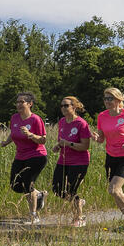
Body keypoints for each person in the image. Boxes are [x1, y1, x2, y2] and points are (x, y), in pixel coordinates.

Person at [93, 87, 124, 231]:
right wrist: (96, 138)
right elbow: (101, 138)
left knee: (114, 189)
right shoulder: (102, 116)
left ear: (119, 100)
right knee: (115, 192)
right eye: (105, 98)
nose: (107, 101)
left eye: (110, 98)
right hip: (111, 156)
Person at [0, 91, 47, 223]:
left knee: (27, 184)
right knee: (15, 185)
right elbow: (13, 133)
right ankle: (38, 194)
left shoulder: (35, 119)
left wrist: (31, 135)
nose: (19, 104)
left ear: (30, 104)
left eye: (22, 102)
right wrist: (6, 142)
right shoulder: (14, 118)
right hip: (20, 156)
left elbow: (43, 140)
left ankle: (33, 215)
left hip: (36, 156)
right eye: (17, 102)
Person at [49, 96, 91, 227]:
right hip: (63, 160)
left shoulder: (81, 124)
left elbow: (85, 146)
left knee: (71, 190)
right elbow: (62, 141)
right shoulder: (62, 121)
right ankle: (79, 202)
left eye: (66, 105)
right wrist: (58, 146)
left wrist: (68, 143)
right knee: (57, 188)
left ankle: (79, 217)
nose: (63, 108)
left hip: (79, 161)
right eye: (62, 106)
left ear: (74, 107)